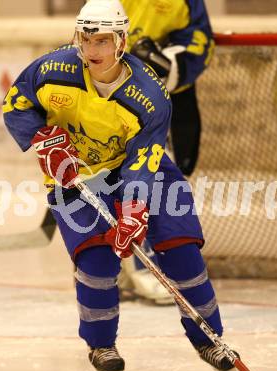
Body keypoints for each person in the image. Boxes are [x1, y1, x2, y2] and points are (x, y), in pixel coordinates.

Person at [2, 0, 239, 371]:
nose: (92, 50)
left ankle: (210, 339)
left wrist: (133, 210)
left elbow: (142, 162)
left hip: (140, 170)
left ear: (122, 41)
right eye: (86, 39)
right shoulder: (52, 69)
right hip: (74, 176)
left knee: (182, 252)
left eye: (103, 41)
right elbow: (17, 105)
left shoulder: (151, 95)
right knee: (96, 263)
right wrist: (42, 139)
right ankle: (101, 346)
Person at [118, 0, 215, 304]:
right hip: (115, 100)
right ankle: (129, 268)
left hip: (165, 100)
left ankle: (147, 266)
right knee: (117, 180)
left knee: (159, 182)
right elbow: (88, 37)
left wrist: (168, 63)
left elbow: (200, 42)